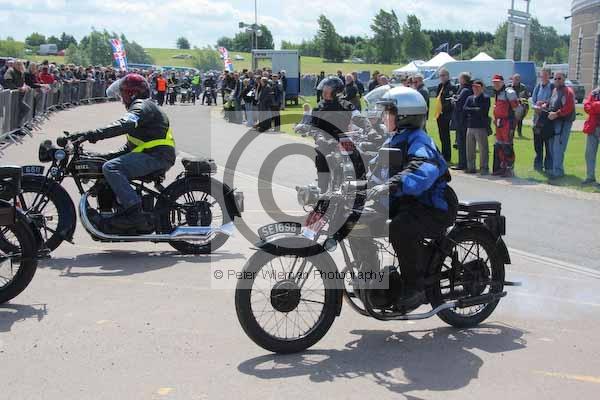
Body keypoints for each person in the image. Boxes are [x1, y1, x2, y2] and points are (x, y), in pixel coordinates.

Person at [368, 86, 453, 308]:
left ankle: (415, 288)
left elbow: (422, 168)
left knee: (400, 227)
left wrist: (393, 184)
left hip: (432, 207)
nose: (384, 116)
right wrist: (353, 185)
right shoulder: (394, 139)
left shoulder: (419, 140)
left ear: (404, 116)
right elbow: (375, 172)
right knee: (362, 219)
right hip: (407, 204)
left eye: (389, 112)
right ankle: (372, 279)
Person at [73, 74, 175, 231]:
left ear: (132, 93)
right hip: (152, 154)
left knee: (111, 168)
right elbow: (127, 149)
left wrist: (92, 134)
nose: (121, 99)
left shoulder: (142, 106)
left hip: (156, 156)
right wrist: (97, 157)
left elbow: (124, 124)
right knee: (105, 164)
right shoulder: (144, 107)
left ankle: (135, 215)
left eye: (123, 94)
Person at [309, 76, 372, 192]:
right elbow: (314, 127)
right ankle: (322, 190)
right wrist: (320, 137)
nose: (324, 92)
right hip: (326, 140)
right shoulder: (319, 107)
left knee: (361, 155)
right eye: (324, 90)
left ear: (336, 92)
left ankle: (361, 186)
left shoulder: (346, 105)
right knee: (322, 158)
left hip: (345, 139)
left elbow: (359, 118)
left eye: (327, 90)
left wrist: (369, 128)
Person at [547, 72, 576, 180]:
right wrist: (544, 105)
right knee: (552, 147)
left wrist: (556, 114)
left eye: (559, 78)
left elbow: (568, 108)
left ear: (564, 79)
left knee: (558, 148)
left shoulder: (568, 91)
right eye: (555, 78)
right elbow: (552, 103)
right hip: (553, 122)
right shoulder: (555, 90)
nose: (557, 80)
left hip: (563, 122)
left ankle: (558, 172)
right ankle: (555, 170)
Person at [491, 74, 520, 177]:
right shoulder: (497, 93)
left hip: (508, 123)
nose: (496, 84)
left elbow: (517, 110)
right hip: (499, 123)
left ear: (502, 82)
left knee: (507, 146)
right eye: (494, 82)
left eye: (498, 82)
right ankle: (502, 168)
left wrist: (513, 125)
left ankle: (509, 169)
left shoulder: (509, 92)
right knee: (499, 146)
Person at [463, 79, 491, 175]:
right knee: (470, 148)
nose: (475, 89)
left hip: (481, 126)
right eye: (474, 87)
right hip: (470, 126)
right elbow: (464, 109)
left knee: (483, 149)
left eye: (477, 87)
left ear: (482, 88)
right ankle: (471, 167)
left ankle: (484, 167)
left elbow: (482, 111)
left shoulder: (485, 98)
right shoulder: (470, 98)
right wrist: (475, 109)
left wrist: (471, 110)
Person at [531, 68, 554, 172]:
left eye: (545, 75)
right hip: (537, 119)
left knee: (548, 145)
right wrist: (536, 106)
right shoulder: (537, 87)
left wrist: (544, 104)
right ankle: (538, 166)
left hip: (547, 120)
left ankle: (548, 167)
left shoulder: (552, 87)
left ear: (549, 76)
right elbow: (533, 100)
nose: (543, 77)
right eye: (542, 75)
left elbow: (553, 100)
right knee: (537, 144)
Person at [451, 72, 473, 170]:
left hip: (462, 120)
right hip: (463, 120)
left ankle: (462, 163)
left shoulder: (465, 90)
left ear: (463, 79)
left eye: (460, 78)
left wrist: (454, 100)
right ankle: (464, 163)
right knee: (463, 142)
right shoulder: (467, 89)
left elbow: (459, 104)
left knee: (462, 143)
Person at [435, 68, 456, 162]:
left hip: (447, 115)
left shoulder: (451, 86)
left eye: (443, 75)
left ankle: (447, 156)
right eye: (440, 76)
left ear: (448, 76)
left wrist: (443, 108)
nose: (442, 77)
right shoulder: (440, 86)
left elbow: (450, 101)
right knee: (442, 136)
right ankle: (444, 154)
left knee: (446, 137)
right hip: (439, 114)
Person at [583, 87, 600, 185]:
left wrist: (594, 105)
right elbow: (586, 107)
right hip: (593, 127)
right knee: (589, 154)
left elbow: (591, 106)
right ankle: (590, 177)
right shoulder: (594, 92)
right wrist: (597, 105)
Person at [510, 73, 530, 138]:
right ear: (512, 79)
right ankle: (511, 133)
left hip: (520, 106)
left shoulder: (523, 87)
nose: (516, 80)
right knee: (511, 120)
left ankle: (519, 133)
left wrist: (522, 99)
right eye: (515, 79)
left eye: (518, 79)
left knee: (520, 120)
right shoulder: (508, 86)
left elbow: (527, 96)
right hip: (510, 106)